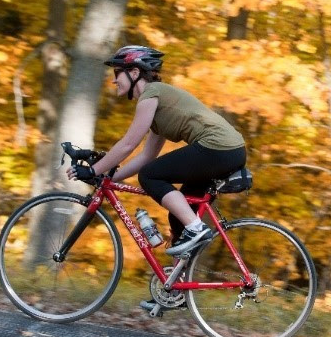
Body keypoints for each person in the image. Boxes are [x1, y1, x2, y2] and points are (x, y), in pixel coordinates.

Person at [65, 45, 247, 258]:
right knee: (179, 215)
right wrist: (107, 177)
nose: (114, 80)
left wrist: (93, 170)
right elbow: (146, 156)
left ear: (134, 73)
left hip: (217, 147)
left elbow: (127, 145)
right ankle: (178, 284)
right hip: (228, 150)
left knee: (150, 176)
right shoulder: (160, 105)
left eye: (117, 72)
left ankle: (197, 228)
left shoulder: (151, 95)